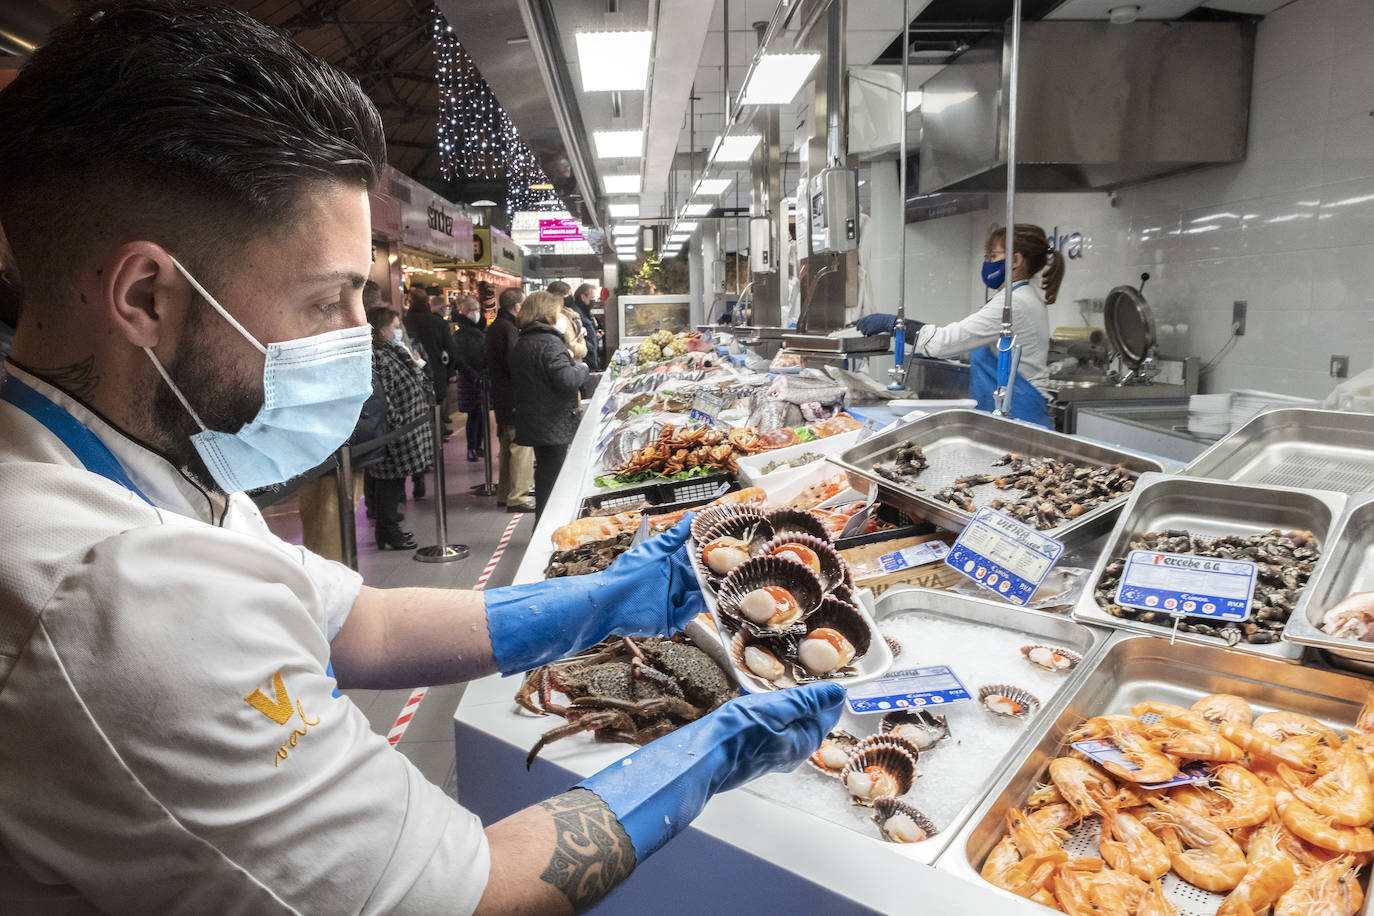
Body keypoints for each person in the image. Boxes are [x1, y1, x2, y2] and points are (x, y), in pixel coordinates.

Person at [0, 3, 846, 911]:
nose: (360, 336)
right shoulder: (117, 595)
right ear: (146, 295)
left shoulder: (139, 458)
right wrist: (710, 753)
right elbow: (460, 896)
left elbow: (354, 624)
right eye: (328, 301)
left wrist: (601, 599)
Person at [857, 223, 1063, 427]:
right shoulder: (1020, 297)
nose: (988, 262)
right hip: (1010, 410)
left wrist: (894, 324)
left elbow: (942, 342)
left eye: (992, 256)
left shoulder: (1014, 302)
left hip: (1019, 412)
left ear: (1016, 260)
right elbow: (973, 343)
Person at [297, 280, 391, 561]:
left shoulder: (349, 336)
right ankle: (331, 588)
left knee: (339, 522)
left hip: (348, 446)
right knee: (328, 526)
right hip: (333, 451)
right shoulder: (329, 339)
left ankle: (339, 579)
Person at [511, 291, 589, 519]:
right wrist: (582, 369)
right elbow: (567, 380)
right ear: (547, 313)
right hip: (553, 421)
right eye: (557, 311)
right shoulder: (550, 343)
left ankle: (543, 522)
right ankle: (549, 526)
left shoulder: (525, 340)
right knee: (552, 478)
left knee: (545, 474)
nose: (561, 316)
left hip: (536, 419)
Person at [366, 306, 434, 550]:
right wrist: (395, 428)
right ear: (381, 329)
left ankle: (389, 528)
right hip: (396, 430)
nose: (399, 331)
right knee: (389, 484)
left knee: (394, 483)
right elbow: (382, 396)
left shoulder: (393, 351)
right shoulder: (377, 357)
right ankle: (388, 530)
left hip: (406, 426)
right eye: (395, 327)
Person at [487, 286, 535, 512]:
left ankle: (505, 493)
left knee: (507, 446)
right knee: (521, 447)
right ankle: (518, 496)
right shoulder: (510, 329)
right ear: (517, 306)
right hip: (515, 397)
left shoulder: (496, 327)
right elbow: (516, 365)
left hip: (502, 396)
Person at [452, 293, 489, 462]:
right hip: (470, 381)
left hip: (482, 378)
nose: (475, 313)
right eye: (471, 310)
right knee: (473, 416)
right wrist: (474, 376)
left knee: (482, 415)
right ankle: (471, 448)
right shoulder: (460, 335)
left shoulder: (482, 330)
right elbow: (459, 360)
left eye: (476, 309)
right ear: (463, 312)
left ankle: (478, 445)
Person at [571, 282, 604, 371]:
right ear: (583, 297)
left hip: (591, 358)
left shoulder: (586, 311)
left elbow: (588, 332)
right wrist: (591, 346)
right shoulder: (575, 314)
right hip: (584, 360)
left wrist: (596, 336)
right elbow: (576, 337)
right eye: (592, 298)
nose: (594, 301)